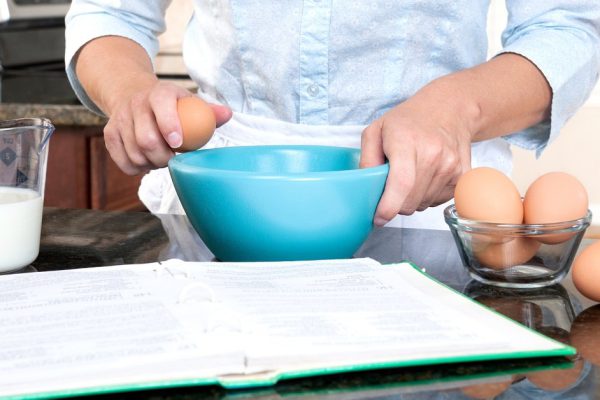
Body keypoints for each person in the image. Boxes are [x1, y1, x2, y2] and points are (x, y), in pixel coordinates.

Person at [65, 1, 600, 230]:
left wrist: (457, 107)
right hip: (226, 204)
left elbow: (567, 25)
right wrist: (130, 89)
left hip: (426, 202)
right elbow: (110, 11)